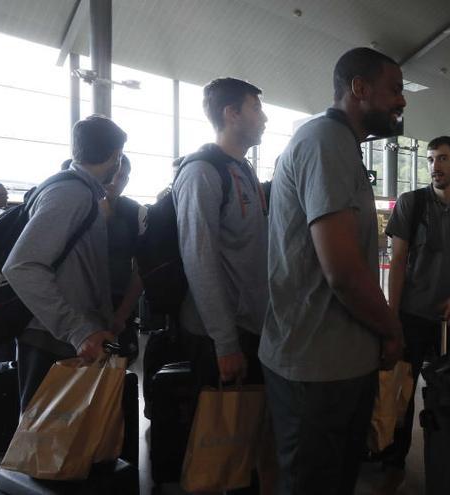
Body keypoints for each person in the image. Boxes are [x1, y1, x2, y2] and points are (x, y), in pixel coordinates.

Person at [259, 47, 405, 495]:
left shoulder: (342, 145)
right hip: (315, 371)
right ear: (359, 90)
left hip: (336, 364)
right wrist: (391, 329)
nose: (402, 101)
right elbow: (342, 269)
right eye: (395, 90)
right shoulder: (325, 143)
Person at [172, 77, 274, 494]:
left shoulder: (243, 170)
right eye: (255, 108)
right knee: (213, 443)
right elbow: (200, 259)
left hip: (249, 328)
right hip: (216, 336)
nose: (263, 118)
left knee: (241, 441)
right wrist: (225, 342)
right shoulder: (201, 172)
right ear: (231, 114)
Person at [379, 135, 450, 491]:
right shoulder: (411, 204)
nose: (435, 167)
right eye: (430, 160)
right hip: (414, 315)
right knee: (403, 393)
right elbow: (397, 263)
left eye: (443, 159)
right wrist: (392, 318)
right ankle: (394, 462)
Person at [3, 115, 126, 410]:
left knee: (67, 440)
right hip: (51, 340)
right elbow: (22, 265)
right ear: (115, 156)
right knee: (47, 441)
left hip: (63, 336)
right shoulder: (70, 193)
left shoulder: (78, 191)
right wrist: (77, 329)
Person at [105, 155, 146, 363]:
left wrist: (122, 313)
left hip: (119, 301)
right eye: (111, 174)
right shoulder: (75, 207)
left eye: (121, 177)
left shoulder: (134, 212)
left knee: (119, 372)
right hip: (78, 308)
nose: (114, 182)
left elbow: (141, 268)